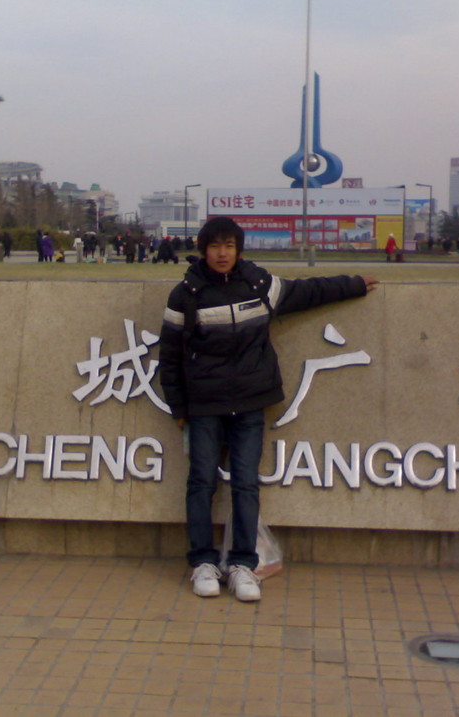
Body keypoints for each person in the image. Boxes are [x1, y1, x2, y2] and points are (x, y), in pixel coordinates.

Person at [158, 217, 378, 602]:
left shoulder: (259, 285)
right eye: (215, 246)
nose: (222, 253)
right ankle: (203, 563)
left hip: (250, 403)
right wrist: (179, 406)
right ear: (204, 250)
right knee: (201, 482)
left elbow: (308, 291)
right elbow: (170, 356)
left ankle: (243, 565)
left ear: (238, 249)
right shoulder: (186, 294)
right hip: (204, 404)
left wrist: (355, 284)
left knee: (245, 482)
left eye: (229, 246)